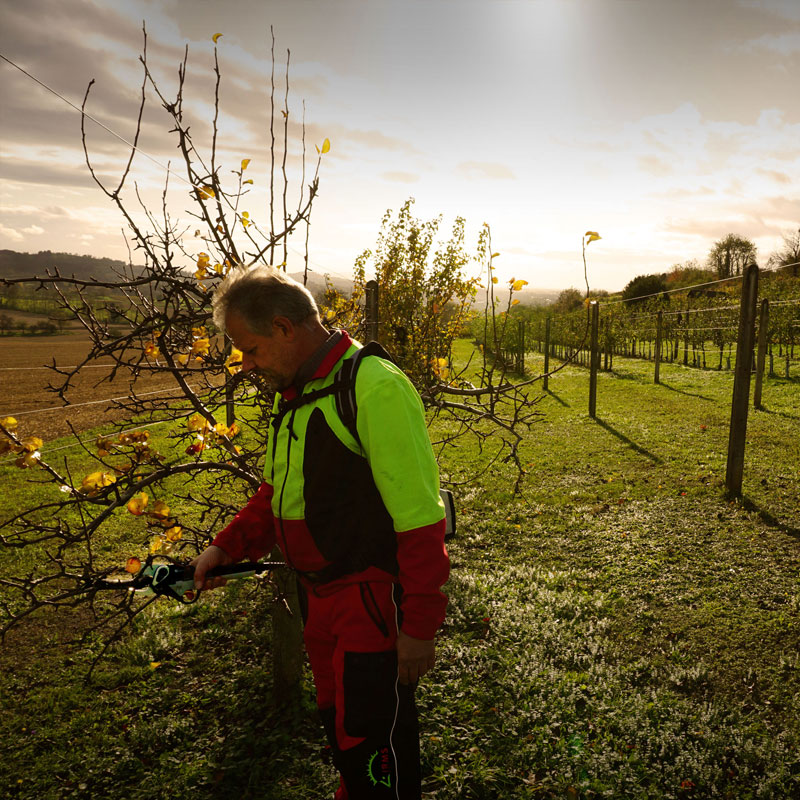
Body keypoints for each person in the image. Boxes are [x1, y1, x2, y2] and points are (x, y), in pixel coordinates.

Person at [191, 266, 450, 799]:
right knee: (340, 728)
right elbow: (275, 494)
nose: (247, 364)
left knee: (373, 739)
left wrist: (421, 624)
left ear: (285, 328)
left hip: (372, 602)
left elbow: (421, 516)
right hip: (318, 601)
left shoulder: (374, 386)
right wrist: (225, 548)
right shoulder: (296, 395)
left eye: (251, 348)